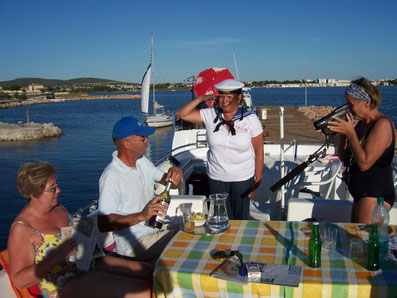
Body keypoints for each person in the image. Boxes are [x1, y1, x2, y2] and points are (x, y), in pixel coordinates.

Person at [7, 161, 153, 298]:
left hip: (86, 263)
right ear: (34, 194)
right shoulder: (22, 229)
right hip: (62, 282)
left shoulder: (59, 208)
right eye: (52, 188)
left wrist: (85, 228)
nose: (58, 190)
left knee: (151, 272)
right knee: (143, 291)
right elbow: (19, 280)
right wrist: (58, 256)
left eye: (56, 185)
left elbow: (76, 237)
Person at [97, 116, 182, 263]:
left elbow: (170, 183)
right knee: (184, 238)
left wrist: (175, 174)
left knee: (191, 225)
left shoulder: (142, 162)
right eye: (143, 138)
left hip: (154, 229)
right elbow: (103, 223)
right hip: (134, 243)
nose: (147, 140)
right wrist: (142, 215)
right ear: (126, 143)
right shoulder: (111, 176)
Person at [176, 79, 264, 220]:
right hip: (217, 179)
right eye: (221, 96)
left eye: (229, 97)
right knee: (221, 219)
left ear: (239, 97)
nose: (224, 101)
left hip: (243, 179)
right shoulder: (210, 115)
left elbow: (259, 153)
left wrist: (257, 181)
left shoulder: (251, 119)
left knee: (241, 220)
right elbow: (181, 114)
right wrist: (202, 99)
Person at [328, 77, 396, 223]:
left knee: (363, 238)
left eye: (351, 104)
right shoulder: (361, 125)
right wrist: (343, 135)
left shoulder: (381, 125)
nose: (348, 108)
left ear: (366, 103)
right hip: (362, 191)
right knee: (356, 237)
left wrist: (351, 134)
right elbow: (344, 157)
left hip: (375, 193)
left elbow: (365, 163)